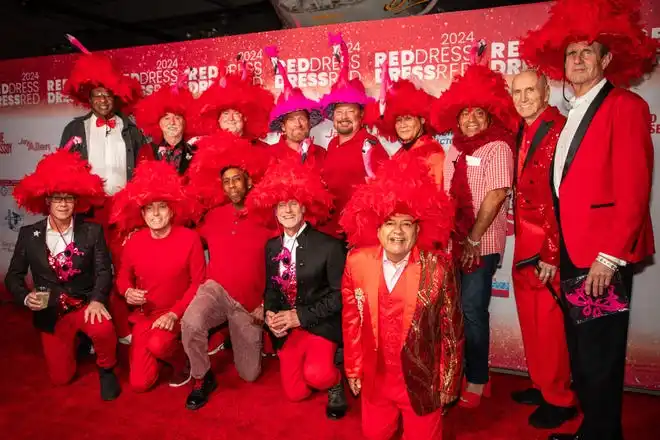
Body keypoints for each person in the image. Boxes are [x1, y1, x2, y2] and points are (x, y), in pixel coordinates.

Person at [521, 1, 657, 439]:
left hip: (601, 261)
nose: (576, 60)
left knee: (599, 353)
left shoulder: (626, 106)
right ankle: (593, 430)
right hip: (572, 256)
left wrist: (610, 258)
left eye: (586, 52)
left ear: (606, 59)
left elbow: (634, 192)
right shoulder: (570, 114)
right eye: (571, 53)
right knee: (581, 350)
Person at [339, 155, 461, 440]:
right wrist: (354, 368)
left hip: (421, 381)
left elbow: (451, 332)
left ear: (418, 229)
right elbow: (351, 321)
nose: (397, 232)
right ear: (377, 228)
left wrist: (447, 381)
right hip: (376, 381)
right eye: (390, 223)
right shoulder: (356, 262)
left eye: (406, 224)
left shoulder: (439, 268)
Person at [431, 60, 518, 408]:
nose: (470, 119)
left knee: (472, 310)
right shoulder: (455, 148)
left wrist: (471, 240)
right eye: (464, 113)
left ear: (490, 115)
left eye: (477, 113)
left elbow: (496, 195)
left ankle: (479, 379)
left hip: (481, 243)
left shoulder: (498, 146)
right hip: (454, 242)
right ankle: (458, 370)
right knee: (453, 311)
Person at [5, 149, 120, 401]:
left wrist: (98, 300)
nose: (63, 203)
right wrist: (26, 298)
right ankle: (76, 344)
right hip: (50, 309)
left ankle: (107, 368)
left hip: (84, 303)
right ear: (47, 201)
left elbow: (103, 270)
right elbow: (13, 276)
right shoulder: (28, 234)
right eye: (57, 198)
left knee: (103, 329)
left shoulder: (92, 231)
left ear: (77, 202)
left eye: (68, 198)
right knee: (61, 379)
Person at [247, 160, 347, 419]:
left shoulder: (330, 246)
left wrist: (299, 316)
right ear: (274, 210)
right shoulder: (271, 246)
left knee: (318, 376)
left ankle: (335, 378)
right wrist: (271, 315)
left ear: (304, 207)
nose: (287, 210)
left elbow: (340, 296)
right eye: (281, 204)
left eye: (293, 203)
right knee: (296, 393)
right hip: (288, 331)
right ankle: (311, 363)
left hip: (321, 325)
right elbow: (271, 288)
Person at [181, 137, 273, 410]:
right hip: (216, 291)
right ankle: (201, 376)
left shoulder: (268, 216)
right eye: (227, 181)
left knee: (250, 374)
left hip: (249, 302)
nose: (232, 185)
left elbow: (285, 260)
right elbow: (190, 241)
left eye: (237, 179)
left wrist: (267, 303)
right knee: (191, 322)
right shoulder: (214, 216)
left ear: (249, 182)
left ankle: (235, 335)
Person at [510, 69, 577, 428]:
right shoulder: (524, 128)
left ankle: (560, 398)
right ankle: (541, 383)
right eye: (516, 92)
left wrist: (552, 253)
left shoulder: (560, 129)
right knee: (531, 321)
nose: (522, 98)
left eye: (529, 91)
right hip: (523, 240)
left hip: (546, 244)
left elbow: (563, 197)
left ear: (546, 90)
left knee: (549, 327)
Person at [111, 161, 205, 392]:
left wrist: (175, 313)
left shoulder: (189, 238)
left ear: (172, 209)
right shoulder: (135, 241)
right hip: (145, 316)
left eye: (161, 206)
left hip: (178, 311)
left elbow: (199, 283)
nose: (155, 214)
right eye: (149, 208)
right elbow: (123, 276)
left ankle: (183, 361)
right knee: (139, 384)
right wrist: (127, 291)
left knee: (158, 344)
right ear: (141, 213)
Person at [319, 33, 389, 239]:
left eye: (350, 111)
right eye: (339, 112)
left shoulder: (370, 144)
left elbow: (384, 188)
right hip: (329, 231)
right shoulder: (332, 144)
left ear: (360, 115)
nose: (344, 117)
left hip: (358, 232)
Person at [60, 49, 143, 195]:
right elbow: (63, 167)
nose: (103, 100)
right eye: (97, 96)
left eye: (107, 95)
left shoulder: (131, 129)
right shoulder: (74, 129)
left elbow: (142, 167)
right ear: (90, 100)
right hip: (88, 205)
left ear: (115, 98)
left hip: (123, 206)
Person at [365, 76, 444, 183]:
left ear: (422, 120)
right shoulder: (401, 153)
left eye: (408, 118)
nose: (403, 125)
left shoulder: (433, 154)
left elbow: (437, 196)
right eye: (398, 120)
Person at [264, 46, 326, 168]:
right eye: (291, 119)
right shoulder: (270, 155)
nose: (298, 124)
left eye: (302, 118)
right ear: (283, 126)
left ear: (309, 123)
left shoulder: (322, 153)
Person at [190, 63, 274, 150]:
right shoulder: (202, 149)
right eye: (226, 113)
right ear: (218, 119)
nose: (231, 118)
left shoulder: (262, 149)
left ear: (245, 118)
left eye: (236, 113)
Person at [134, 83, 197, 175]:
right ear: (158, 123)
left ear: (185, 122)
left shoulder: (196, 151)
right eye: (166, 118)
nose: (172, 122)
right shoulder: (147, 150)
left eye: (177, 118)